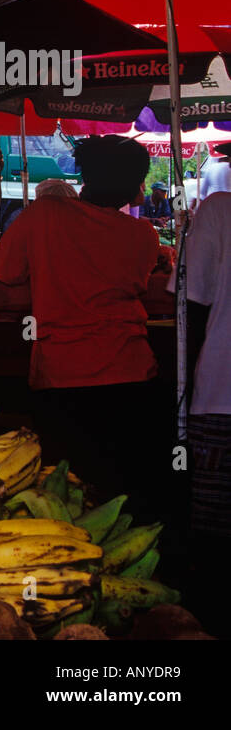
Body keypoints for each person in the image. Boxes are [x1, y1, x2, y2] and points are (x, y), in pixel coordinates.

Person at [0, 135, 165, 512]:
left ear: (86, 176)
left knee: (61, 491)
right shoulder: (143, 236)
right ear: (132, 186)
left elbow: (5, 272)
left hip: (62, 376)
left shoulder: (43, 215)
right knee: (119, 494)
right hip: (130, 372)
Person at [178, 189, 231, 634]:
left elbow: (190, 307)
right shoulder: (218, 209)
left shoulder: (219, 209)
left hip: (219, 397)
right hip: (218, 399)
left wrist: (184, 391)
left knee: (214, 547)